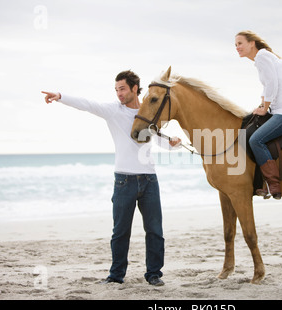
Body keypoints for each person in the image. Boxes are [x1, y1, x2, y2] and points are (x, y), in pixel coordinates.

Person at [42, 70, 180, 286]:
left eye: (122, 88)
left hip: (150, 180)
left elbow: (157, 138)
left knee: (155, 230)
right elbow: (87, 104)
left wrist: (173, 142)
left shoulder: (147, 110)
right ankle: (116, 276)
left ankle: (154, 274)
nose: (119, 93)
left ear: (135, 88)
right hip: (124, 180)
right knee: (120, 232)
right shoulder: (113, 111)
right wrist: (60, 96)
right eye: (116, 89)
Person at [235, 30, 282, 199]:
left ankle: (272, 184)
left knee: (256, 139)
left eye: (240, 43)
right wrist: (262, 105)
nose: (237, 47)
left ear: (252, 43)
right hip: (281, 108)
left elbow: (271, 84)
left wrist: (263, 107)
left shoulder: (262, 56)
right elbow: (267, 87)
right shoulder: (263, 58)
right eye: (236, 45)